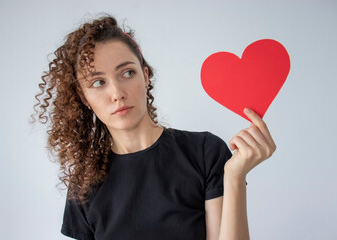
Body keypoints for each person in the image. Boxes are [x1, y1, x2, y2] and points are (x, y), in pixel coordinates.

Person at [32, 14, 276, 240]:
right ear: (83, 97)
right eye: (98, 82)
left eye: (127, 73)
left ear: (145, 76)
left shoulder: (204, 152)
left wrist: (234, 177)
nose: (117, 93)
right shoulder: (84, 184)